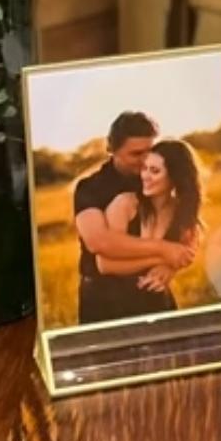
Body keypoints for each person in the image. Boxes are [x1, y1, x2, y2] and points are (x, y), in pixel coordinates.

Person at [73, 113, 195, 324]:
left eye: (150, 151)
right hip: (103, 298)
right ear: (111, 149)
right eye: (136, 154)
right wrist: (164, 251)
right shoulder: (90, 188)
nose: (145, 160)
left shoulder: (154, 178)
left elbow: (188, 226)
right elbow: (99, 242)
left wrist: (170, 266)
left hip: (153, 289)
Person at [95, 140, 203, 316]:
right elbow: (105, 264)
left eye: (155, 171)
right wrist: (162, 257)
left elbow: (188, 251)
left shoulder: (181, 211)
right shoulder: (125, 204)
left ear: (175, 177)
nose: (145, 175)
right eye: (145, 168)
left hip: (158, 302)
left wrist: (170, 268)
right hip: (115, 305)